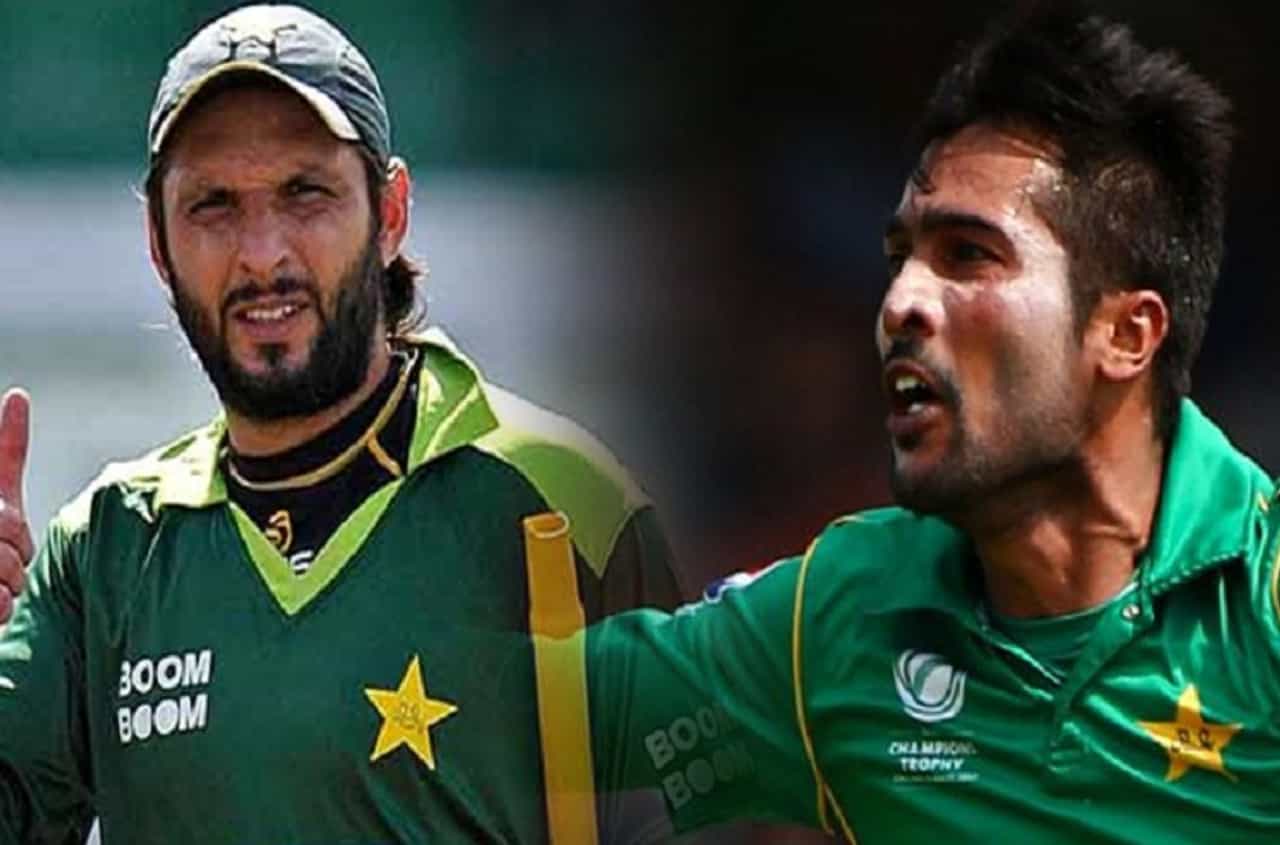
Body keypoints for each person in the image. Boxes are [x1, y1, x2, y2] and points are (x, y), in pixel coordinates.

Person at [579, 6, 1280, 843]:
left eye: (969, 255)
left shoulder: (1263, 603)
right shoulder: (833, 617)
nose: (900, 302)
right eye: (900, 258)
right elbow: (499, 715)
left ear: (1126, 335)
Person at [0, 4, 686, 843]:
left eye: (306, 194)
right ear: (157, 240)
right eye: (213, 205)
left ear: (390, 213)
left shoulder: (558, 503)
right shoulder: (104, 552)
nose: (263, 254)